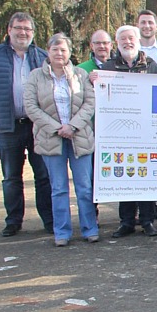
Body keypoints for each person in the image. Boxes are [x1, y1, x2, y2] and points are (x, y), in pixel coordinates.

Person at [0, 12, 53, 237]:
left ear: (33, 33)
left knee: (43, 175)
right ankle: (13, 221)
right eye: (18, 28)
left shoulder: (43, 57)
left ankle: (49, 220)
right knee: (11, 177)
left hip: (37, 127)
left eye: (27, 29)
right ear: (9, 30)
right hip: (7, 126)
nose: (23, 33)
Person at [23, 33, 97, 246]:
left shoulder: (81, 75)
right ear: (48, 51)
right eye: (55, 49)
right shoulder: (35, 77)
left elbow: (89, 104)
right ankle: (62, 232)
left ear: (69, 53)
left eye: (63, 50)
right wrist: (58, 128)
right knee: (58, 188)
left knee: (84, 187)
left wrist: (72, 125)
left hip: (79, 136)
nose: (59, 53)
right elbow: (32, 107)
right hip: (51, 139)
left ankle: (89, 228)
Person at [101, 25, 157, 238]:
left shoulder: (152, 66)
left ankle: (147, 220)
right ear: (117, 43)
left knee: (145, 175)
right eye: (123, 39)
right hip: (119, 133)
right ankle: (126, 221)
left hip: (146, 131)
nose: (128, 42)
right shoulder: (108, 68)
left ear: (138, 40)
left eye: (131, 38)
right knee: (124, 176)